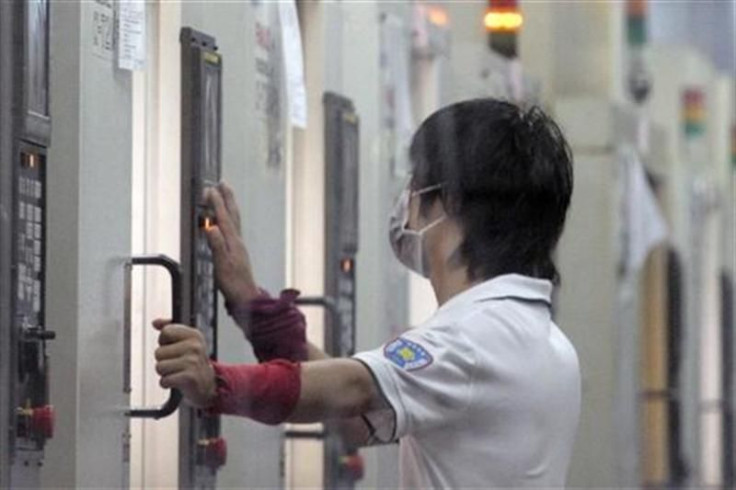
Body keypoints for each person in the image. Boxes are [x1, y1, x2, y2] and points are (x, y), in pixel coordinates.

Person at [152, 98, 581, 488]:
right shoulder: (536, 337)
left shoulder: (473, 338)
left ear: (447, 202)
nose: (405, 205)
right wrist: (254, 306)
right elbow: (355, 418)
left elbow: (353, 388)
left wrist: (215, 384)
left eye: (414, 187)